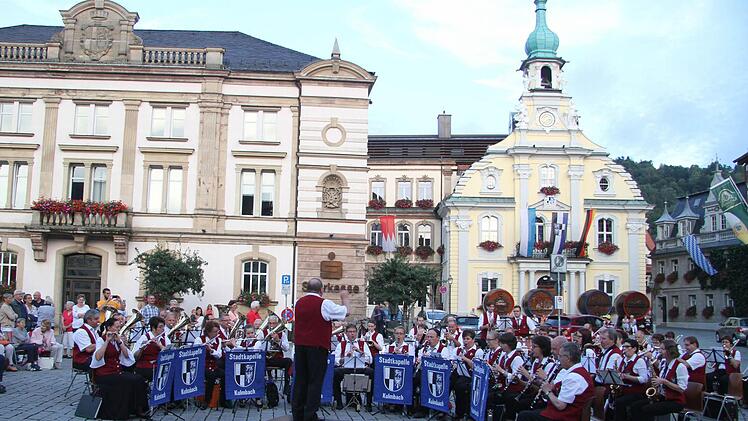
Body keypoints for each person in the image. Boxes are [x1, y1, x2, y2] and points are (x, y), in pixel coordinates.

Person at [293, 277, 349, 421]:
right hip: (317, 348)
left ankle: (297, 414)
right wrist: (345, 298)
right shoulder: (324, 303)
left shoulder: (298, 303)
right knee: (314, 382)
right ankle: (309, 415)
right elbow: (344, 312)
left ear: (307, 289)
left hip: (300, 347)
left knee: (300, 380)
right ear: (321, 290)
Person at [516, 342, 594, 421]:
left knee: (524, 416)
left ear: (568, 358)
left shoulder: (574, 377)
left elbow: (560, 405)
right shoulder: (576, 372)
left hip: (567, 417)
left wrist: (548, 391)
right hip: (565, 413)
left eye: (560, 356)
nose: (558, 359)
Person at [91, 318, 149, 419]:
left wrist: (120, 342)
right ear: (109, 327)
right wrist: (107, 341)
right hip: (104, 374)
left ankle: (138, 408)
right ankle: (127, 411)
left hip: (115, 372)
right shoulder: (101, 340)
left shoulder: (117, 341)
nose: (118, 329)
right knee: (128, 381)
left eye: (119, 327)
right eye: (116, 327)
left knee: (138, 379)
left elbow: (127, 355)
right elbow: (98, 357)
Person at [627, 339, 688, 421]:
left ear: (670, 351)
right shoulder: (664, 363)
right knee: (635, 406)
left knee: (646, 409)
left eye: (662, 349)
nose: (659, 351)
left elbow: (682, 388)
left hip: (676, 401)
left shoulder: (680, 367)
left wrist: (664, 381)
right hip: (663, 397)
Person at [333, 323, 373, 411]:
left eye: (354, 332)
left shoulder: (363, 344)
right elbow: (336, 360)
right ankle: (339, 402)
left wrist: (360, 351)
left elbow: (370, 360)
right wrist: (345, 357)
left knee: (371, 372)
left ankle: (369, 404)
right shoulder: (341, 344)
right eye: (350, 332)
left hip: (360, 368)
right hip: (346, 368)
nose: (352, 334)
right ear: (346, 333)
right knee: (335, 372)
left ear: (356, 333)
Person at [193, 320, 230, 409]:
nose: (217, 333)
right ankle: (206, 401)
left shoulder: (219, 340)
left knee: (225, 375)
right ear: (208, 332)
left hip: (214, 365)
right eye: (215, 332)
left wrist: (211, 350)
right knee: (211, 376)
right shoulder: (199, 339)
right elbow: (195, 354)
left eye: (217, 331)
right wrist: (202, 347)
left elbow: (219, 355)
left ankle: (223, 400)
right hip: (202, 366)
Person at [488, 332, 526, 419]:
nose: (500, 345)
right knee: (487, 393)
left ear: (508, 345)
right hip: (503, 386)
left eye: (501, 343)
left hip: (513, 390)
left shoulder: (517, 358)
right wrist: (495, 371)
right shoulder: (504, 355)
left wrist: (501, 371)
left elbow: (516, 379)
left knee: (491, 397)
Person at [612, 338, 649, 421]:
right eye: (623, 346)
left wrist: (627, 377)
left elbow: (644, 379)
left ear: (634, 349)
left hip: (636, 392)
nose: (624, 349)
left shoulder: (639, 361)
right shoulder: (622, 360)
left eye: (627, 346)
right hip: (624, 390)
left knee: (620, 402)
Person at [451, 329, 484, 420]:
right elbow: (453, 361)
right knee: (448, 382)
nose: (465, 341)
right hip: (460, 374)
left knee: (460, 386)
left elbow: (476, 367)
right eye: (464, 339)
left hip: (471, 376)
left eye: (468, 339)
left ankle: (461, 413)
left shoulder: (478, 351)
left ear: (473, 340)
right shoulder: (460, 349)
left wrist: (465, 358)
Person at [258, 314, 293, 395]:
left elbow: (286, 348)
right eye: (270, 323)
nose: (272, 325)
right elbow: (259, 346)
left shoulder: (282, 334)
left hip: (276, 358)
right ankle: (261, 387)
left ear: (277, 324)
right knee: (259, 362)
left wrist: (278, 341)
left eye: (274, 323)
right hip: (265, 359)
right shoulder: (263, 333)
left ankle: (287, 387)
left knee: (289, 361)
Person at [133, 316, 170, 381]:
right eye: (160, 327)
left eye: (163, 327)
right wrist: (141, 349)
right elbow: (135, 357)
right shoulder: (144, 338)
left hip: (159, 365)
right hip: (145, 366)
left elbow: (169, 354)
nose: (163, 329)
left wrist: (159, 345)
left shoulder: (165, 338)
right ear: (153, 328)